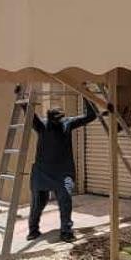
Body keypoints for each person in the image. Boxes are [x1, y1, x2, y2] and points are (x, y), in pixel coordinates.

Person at [27, 99, 98, 242]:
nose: (57, 122)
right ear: (49, 119)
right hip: (42, 172)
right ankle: (33, 230)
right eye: (54, 120)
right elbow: (30, 115)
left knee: (65, 202)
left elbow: (91, 116)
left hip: (63, 173)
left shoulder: (67, 123)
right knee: (38, 203)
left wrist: (87, 97)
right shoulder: (41, 125)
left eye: (59, 119)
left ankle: (66, 231)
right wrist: (24, 101)